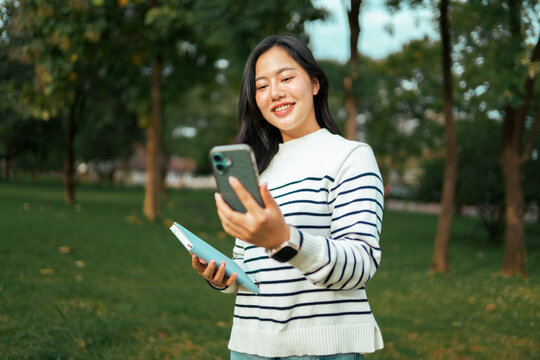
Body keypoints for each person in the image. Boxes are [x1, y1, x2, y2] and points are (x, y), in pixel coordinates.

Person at [191, 35, 384, 359]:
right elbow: (250, 264)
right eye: (262, 85)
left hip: (322, 349)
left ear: (315, 84)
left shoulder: (350, 156)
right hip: (249, 346)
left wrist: (284, 238)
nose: (275, 93)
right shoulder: (257, 168)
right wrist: (224, 277)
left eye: (287, 78)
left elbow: (360, 264)